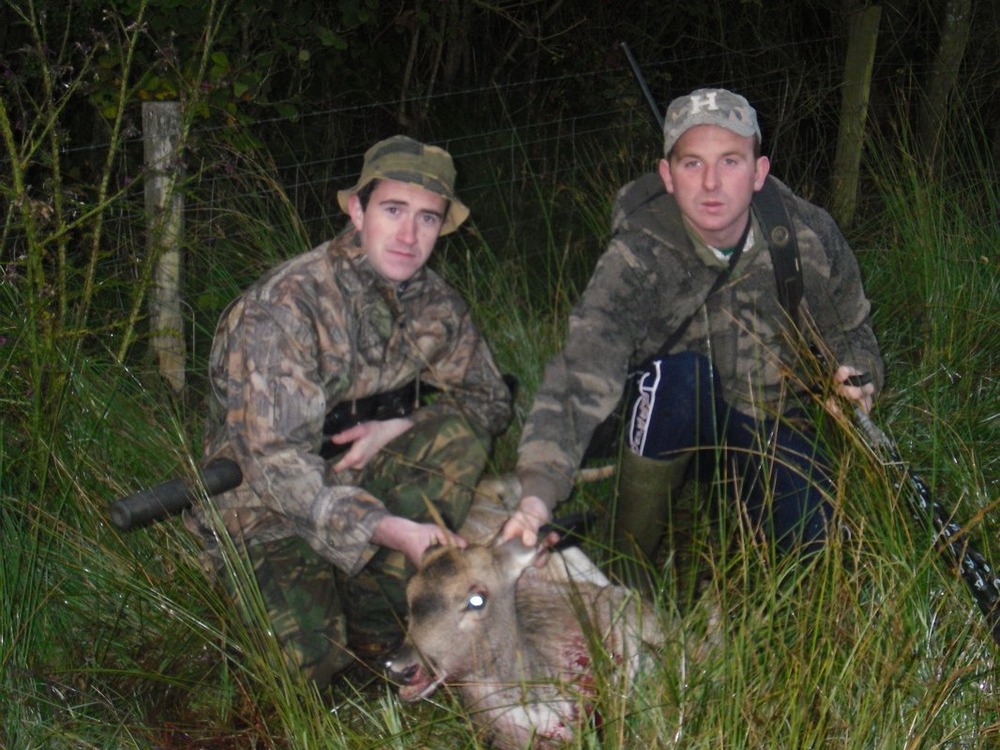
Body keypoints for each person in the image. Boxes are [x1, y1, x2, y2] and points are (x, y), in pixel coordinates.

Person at [503, 88, 883, 592]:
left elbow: (852, 329)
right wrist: (537, 495)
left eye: (730, 161)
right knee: (675, 379)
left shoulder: (806, 237)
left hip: (768, 418)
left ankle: (755, 573)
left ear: (759, 171)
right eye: (691, 164)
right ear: (667, 175)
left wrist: (857, 377)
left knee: (815, 549)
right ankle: (624, 575)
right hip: (668, 421)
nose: (710, 183)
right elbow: (580, 374)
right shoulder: (637, 255)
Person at [185, 135, 513, 686]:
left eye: (428, 219)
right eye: (393, 210)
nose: (409, 236)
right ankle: (296, 602)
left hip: (362, 484)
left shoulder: (438, 303)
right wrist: (390, 530)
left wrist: (397, 424)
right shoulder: (285, 306)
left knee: (459, 435)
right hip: (266, 513)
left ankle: (379, 612)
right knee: (311, 669)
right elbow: (276, 467)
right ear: (358, 210)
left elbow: (490, 400)